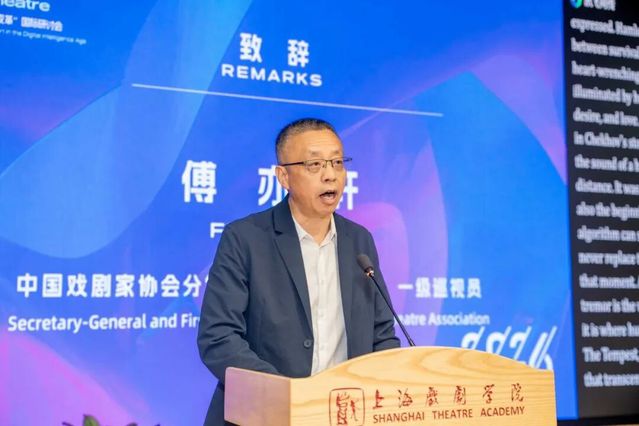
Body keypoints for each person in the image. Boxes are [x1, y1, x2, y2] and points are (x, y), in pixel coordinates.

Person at [197, 118, 400, 425]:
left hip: (343, 414)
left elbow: (381, 334)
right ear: (284, 176)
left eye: (337, 162)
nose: (330, 175)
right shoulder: (245, 238)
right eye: (314, 164)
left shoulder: (359, 240)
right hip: (264, 416)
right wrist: (289, 396)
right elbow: (218, 337)